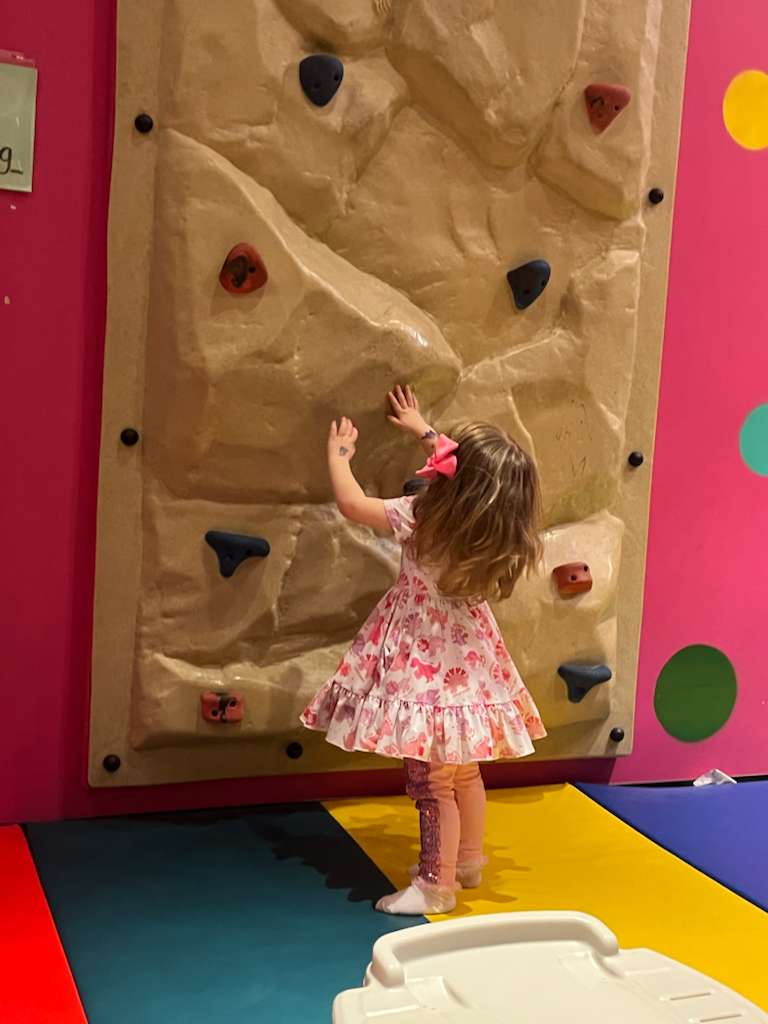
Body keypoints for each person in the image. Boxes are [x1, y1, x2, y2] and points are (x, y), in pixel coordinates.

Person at [301, 385, 546, 915]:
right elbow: (463, 464)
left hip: (422, 661)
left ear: (456, 482)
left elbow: (351, 504)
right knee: (464, 770)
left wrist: (339, 457)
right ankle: (468, 860)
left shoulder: (422, 517)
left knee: (431, 779)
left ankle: (437, 884)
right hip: (470, 661)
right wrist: (420, 428)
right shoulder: (491, 528)